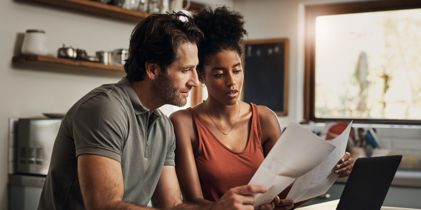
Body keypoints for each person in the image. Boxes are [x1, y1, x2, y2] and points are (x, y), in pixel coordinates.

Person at [38, 11, 268, 210]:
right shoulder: (105, 109)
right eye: (186, 70)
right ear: (153, 69)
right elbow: (104, 206)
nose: (195, 82)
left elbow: (172, 205)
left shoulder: (162, 126)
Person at [170, 7, 355, 210]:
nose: (232, 82)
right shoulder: (184, 123)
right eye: (219, 74)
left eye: (237, 70)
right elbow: (191, 202)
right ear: (201, 76)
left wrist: (331, 172)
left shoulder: (264, 119)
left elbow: (287, 196)